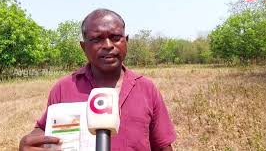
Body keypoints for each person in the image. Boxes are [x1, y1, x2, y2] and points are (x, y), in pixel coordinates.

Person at [19, 9, 176, 151]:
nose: (108, 45)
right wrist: (28, 143)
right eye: (97, 39)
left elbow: (162, 146)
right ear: (83, 46)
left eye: (115, 37)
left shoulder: (146, 89)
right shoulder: (64, 88)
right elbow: (43, 129)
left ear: (126, 41)